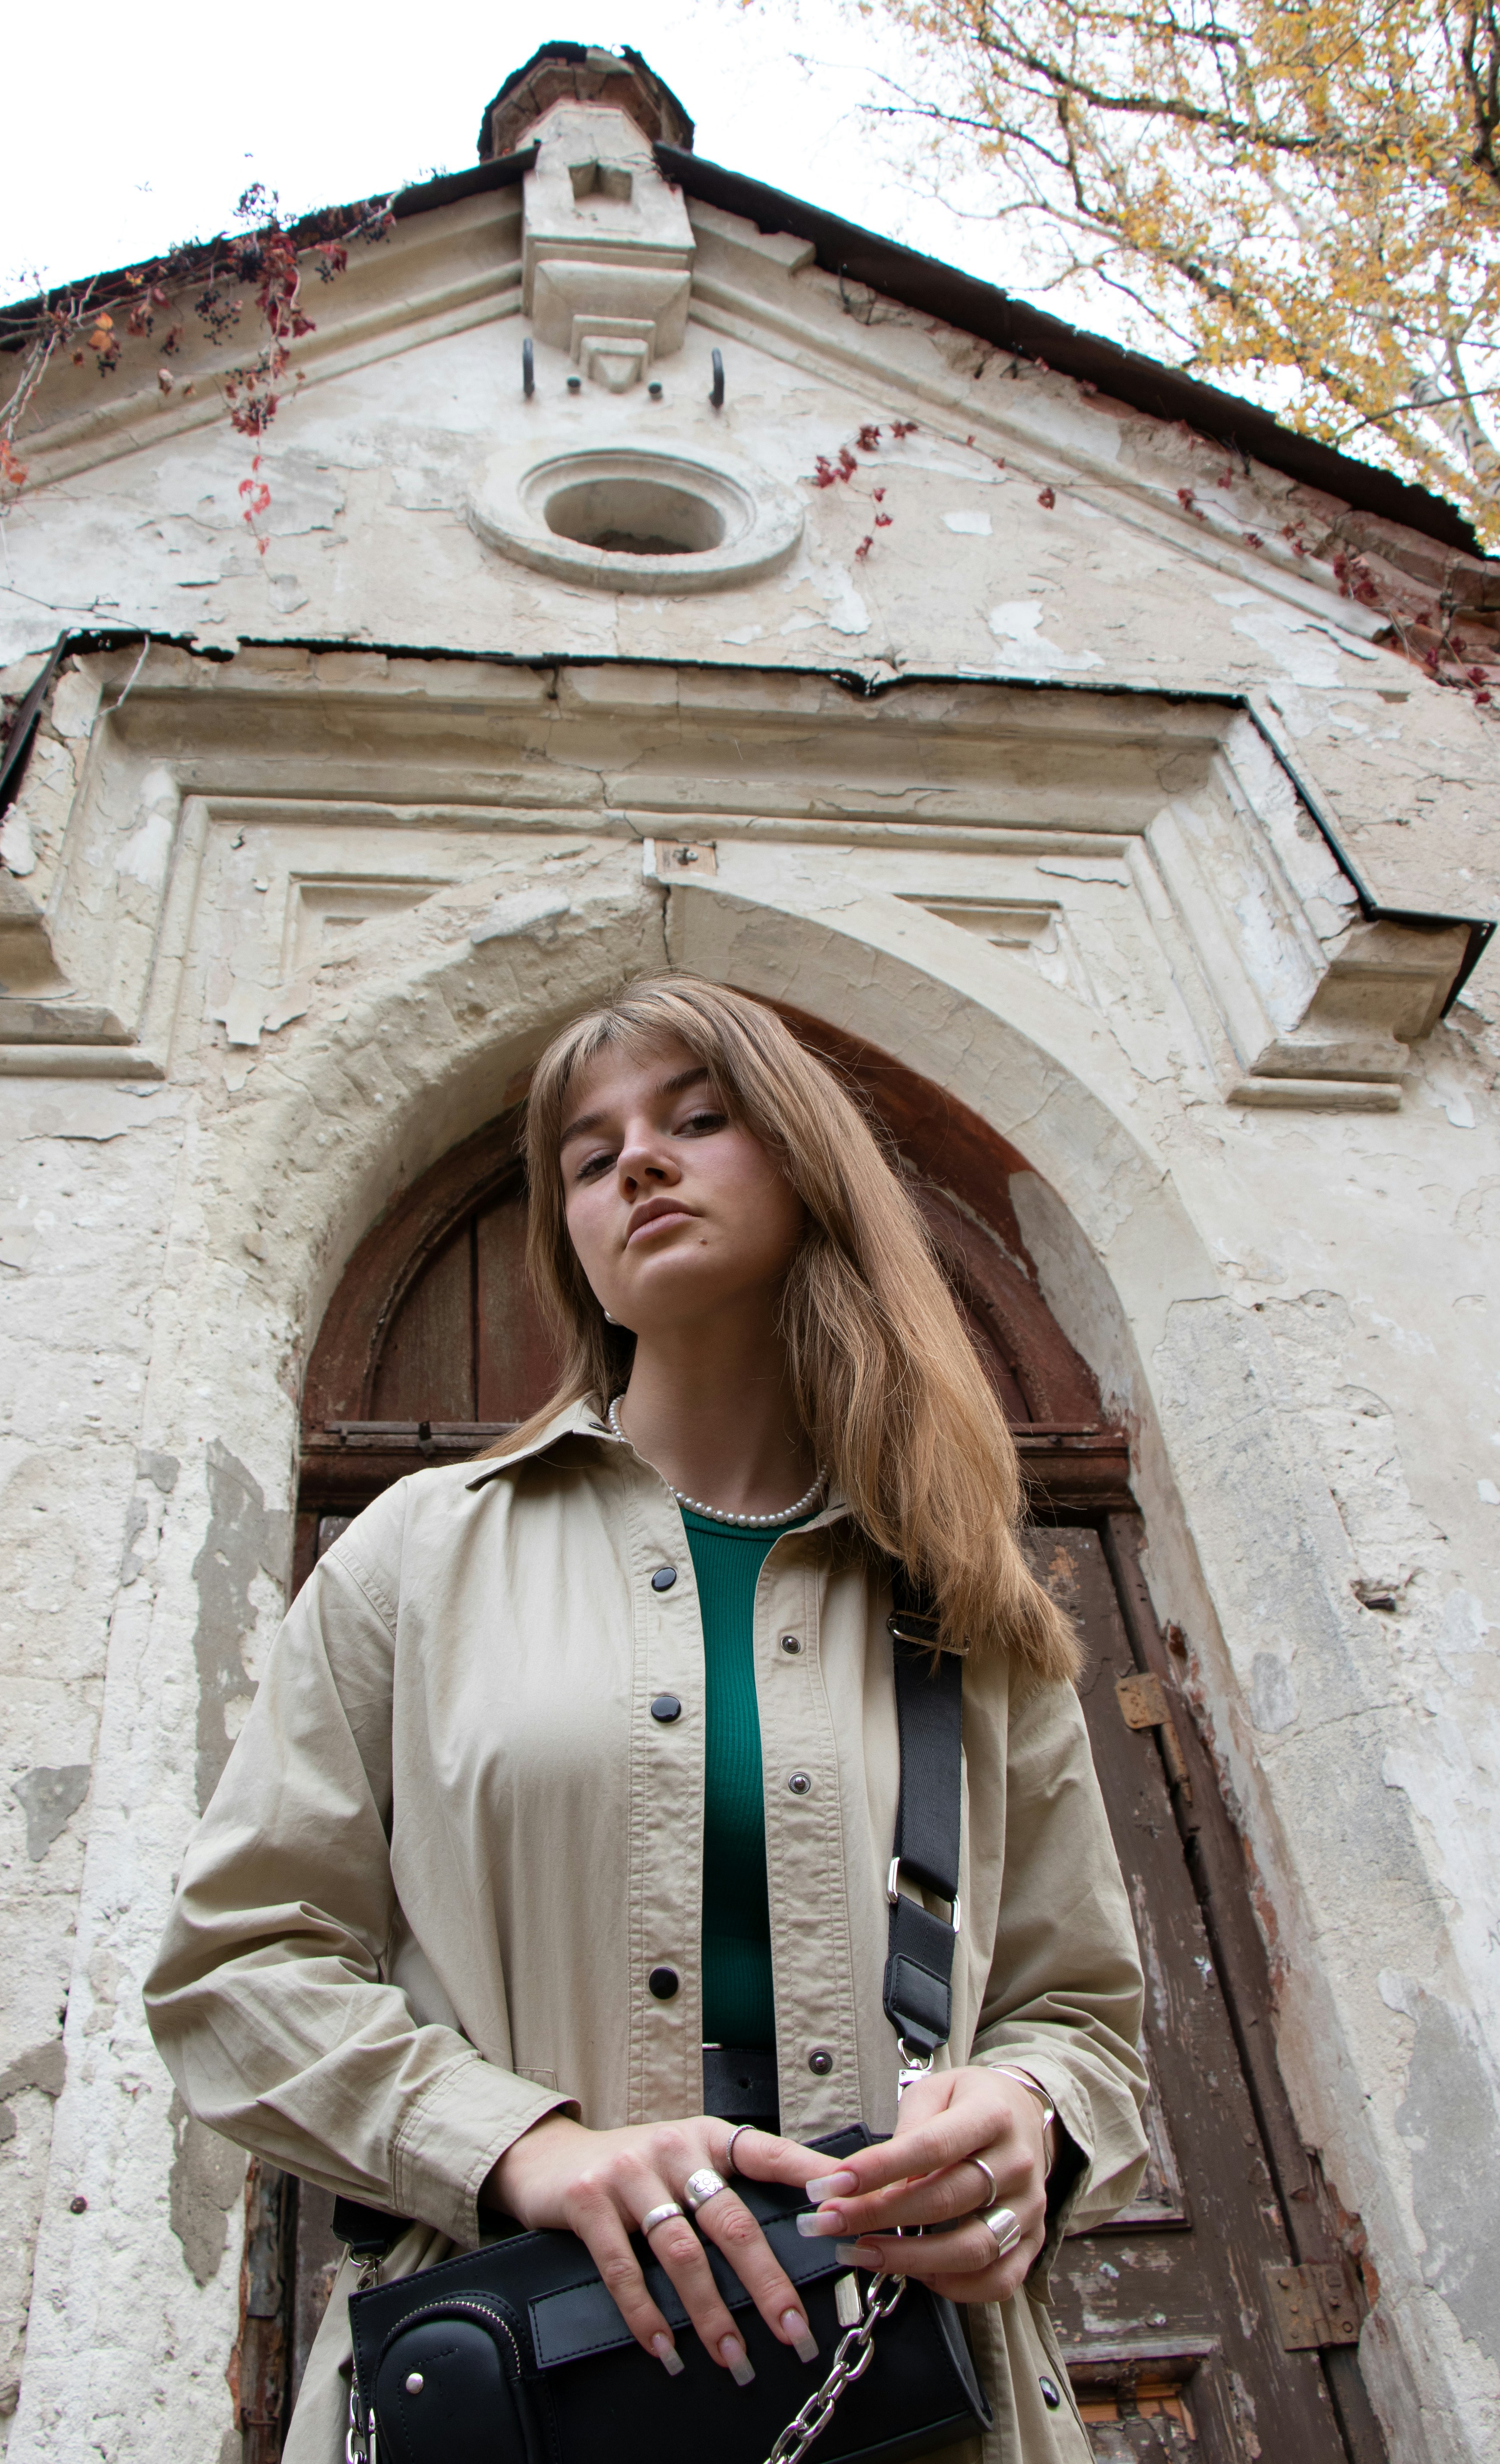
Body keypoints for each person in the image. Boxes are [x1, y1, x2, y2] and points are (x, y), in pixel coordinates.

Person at [145, 975, 1147, 2463]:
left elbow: (1085, 2019)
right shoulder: (421, 1553)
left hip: (911, 2396)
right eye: (589, 1152)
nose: (638, 1164)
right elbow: (235, 1964)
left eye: (697, 1117)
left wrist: (1027, 2117)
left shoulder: (955, 1598)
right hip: (530, 2389)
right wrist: (520, 2147)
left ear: (810, 1172)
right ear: (572, 1236)